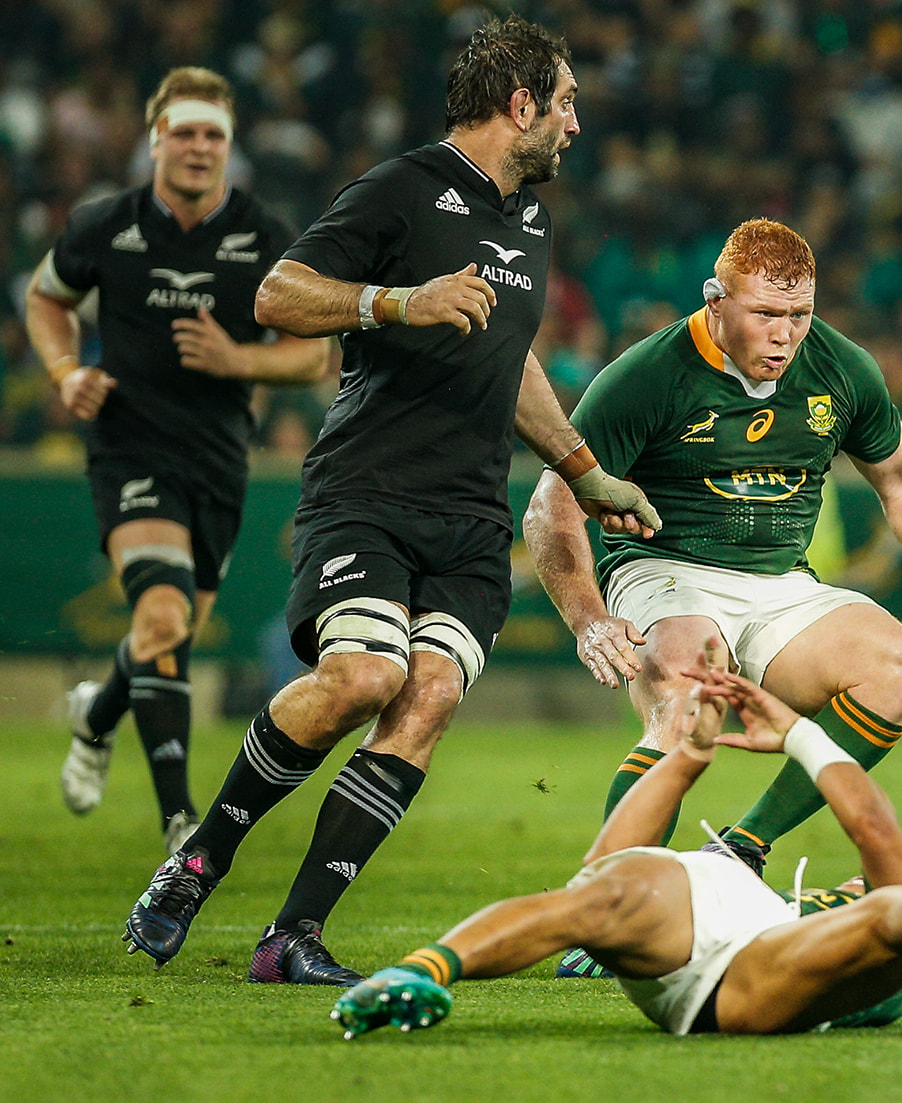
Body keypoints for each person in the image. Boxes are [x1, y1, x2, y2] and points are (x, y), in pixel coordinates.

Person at [122, 16, 657, 986]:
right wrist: (395, 300)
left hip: (470, 517)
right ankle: (199, 860)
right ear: (522, 104)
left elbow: (511, 359)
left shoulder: (530, 221)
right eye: (567, 103)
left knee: (430, 693)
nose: (576, 124)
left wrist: (586, 472)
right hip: (367, 492)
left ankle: (292, 935)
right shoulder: (403, 188)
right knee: (364, 677)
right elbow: (277, 294)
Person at [523, 217, 902, 974]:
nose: (785, 333)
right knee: (688, 698)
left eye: (799, 314)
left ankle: (741, 848)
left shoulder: (841, 367)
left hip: (780, 581)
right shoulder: (649, 374)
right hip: (665, 568)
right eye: (766, 313)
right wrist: (588, 619)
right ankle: (602, 910)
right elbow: (552, 504)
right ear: (716, 300)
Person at [329, 666, 902, 1039]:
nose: (853, 881)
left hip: (730, 977)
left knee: (594, 893)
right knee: (599, 888)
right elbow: (870, 825)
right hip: (732, 919)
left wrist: (764, 739)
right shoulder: (874, 911)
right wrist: (778, 738)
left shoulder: (890, 964)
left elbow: (874, 841)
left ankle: (428, 968)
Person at [23, 67, 331, 856]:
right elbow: (46, 297)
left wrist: (237, 359)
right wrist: (65, 372)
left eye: (213, 135)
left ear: (230, 147)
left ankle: (97, 714)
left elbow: (311, 354)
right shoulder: (105, 226)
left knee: (170, 629)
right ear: (154, 140)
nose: (199, 147)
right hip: (128, 445)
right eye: (184, 132)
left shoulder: (264, 236)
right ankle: (180, 824)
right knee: (162, 618)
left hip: (219, 456)